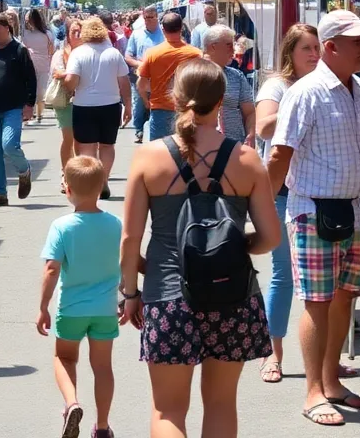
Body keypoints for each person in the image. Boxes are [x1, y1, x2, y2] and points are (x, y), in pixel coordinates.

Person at [119, 59, 280, 437]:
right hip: (234, 297)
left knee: (168, 411)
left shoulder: (148, 158)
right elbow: (271, 238)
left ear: (175, 98)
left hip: (168, 295)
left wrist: (130, 292)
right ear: (221, 101)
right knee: (222, 404)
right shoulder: (246, 159)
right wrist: (239, 247)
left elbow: (129, 238)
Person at [268, 9, 360, 427]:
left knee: (345, 298)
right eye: (358, 40)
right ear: (331, 47)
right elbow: (280, 153)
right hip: (314, 211)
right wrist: (263, 210)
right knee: (317, 303)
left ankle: (330, 381)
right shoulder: (306, 91)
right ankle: (313, 391)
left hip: (355, 209)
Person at [254, 23, 320, 384]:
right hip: (279, 190)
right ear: (289, 54)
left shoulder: (327, 84)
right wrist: (298, 101)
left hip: (317, 192)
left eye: (317, 48)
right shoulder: (278, 86)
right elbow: (264, 128)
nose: (314, 54)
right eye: (306, 48)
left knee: (323, 283)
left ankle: (325, 361)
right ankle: (271, 354)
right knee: (283, 272)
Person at [38, 156, 122, 438]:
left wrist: (42, 307)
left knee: (64, 358)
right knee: (102, 367)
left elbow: (51, 269)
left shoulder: (62, 226)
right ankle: (101, 426)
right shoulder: (115, 224)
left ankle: (71, 403)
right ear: (101, 187)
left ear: (68, 190)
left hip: (71, 308)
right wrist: (129, 294)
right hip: (105, 308)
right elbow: (125, 261)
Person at [64, 18, 132, 200]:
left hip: (84, 105)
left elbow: (71, 83)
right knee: (107, 145)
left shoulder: (78, 53)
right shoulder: (113, 53)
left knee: (87, 147)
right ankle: (103, 181)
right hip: (110, 105)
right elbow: (124, 81)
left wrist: (66, 81)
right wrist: (128, 105)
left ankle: (91, 183)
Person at [0, 13, 38, 207]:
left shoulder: (19, 50)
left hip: (13, 106)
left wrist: (29, 104)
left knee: (9, 145)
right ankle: (0, 193)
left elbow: (31, 78)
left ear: (7, 28)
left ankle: (24, 169)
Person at [137, 13, 202, 142]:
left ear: (163, 28)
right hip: (186, 110)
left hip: (160, 109)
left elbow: (141, 83)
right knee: (186, 152)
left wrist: (146, 101)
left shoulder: (152, 53)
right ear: (181, 28)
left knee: (160, 153)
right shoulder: (196, 54)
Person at [200, 25, 254, 145]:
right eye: (229, 45)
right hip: (201, 148)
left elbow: (249, 112)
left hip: (234, 148)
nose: (234, 50)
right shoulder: (193, 74)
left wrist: (250, 135)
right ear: (214, 47)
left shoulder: (236, 76)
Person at [50, 19, 83, 192]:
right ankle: (66, 174)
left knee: (81, 140)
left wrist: (70, 74)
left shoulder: (87, 52)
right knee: (69, 138)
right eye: (74, 31)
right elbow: (57, 72)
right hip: (65, 101)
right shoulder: (61, 53)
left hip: (85, 101)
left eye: (80, 31)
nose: (77, 34)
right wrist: (75, 74)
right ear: (68, 34)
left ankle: (78, 175)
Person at [124, 6, 164, 144]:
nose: (148, 20)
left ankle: (156, 130)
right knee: (139, 104)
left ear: (157, 17)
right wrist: (138, 64)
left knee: (158, 104)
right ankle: (138, 130)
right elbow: (128, 56)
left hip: (160, 77)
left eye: (151, 17)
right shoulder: (136, 34)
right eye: (146, 17)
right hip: (140, 76)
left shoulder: (164, 34)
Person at [22, 8, 56, 124]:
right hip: (35, 65)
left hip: (41, 65)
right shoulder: (28, 34)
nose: (27, 22)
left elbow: (51, 51)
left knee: (39, 91)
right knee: (35, 90)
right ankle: (33, 115)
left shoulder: (46, 34)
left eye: (28, 20)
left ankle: (38, 115)